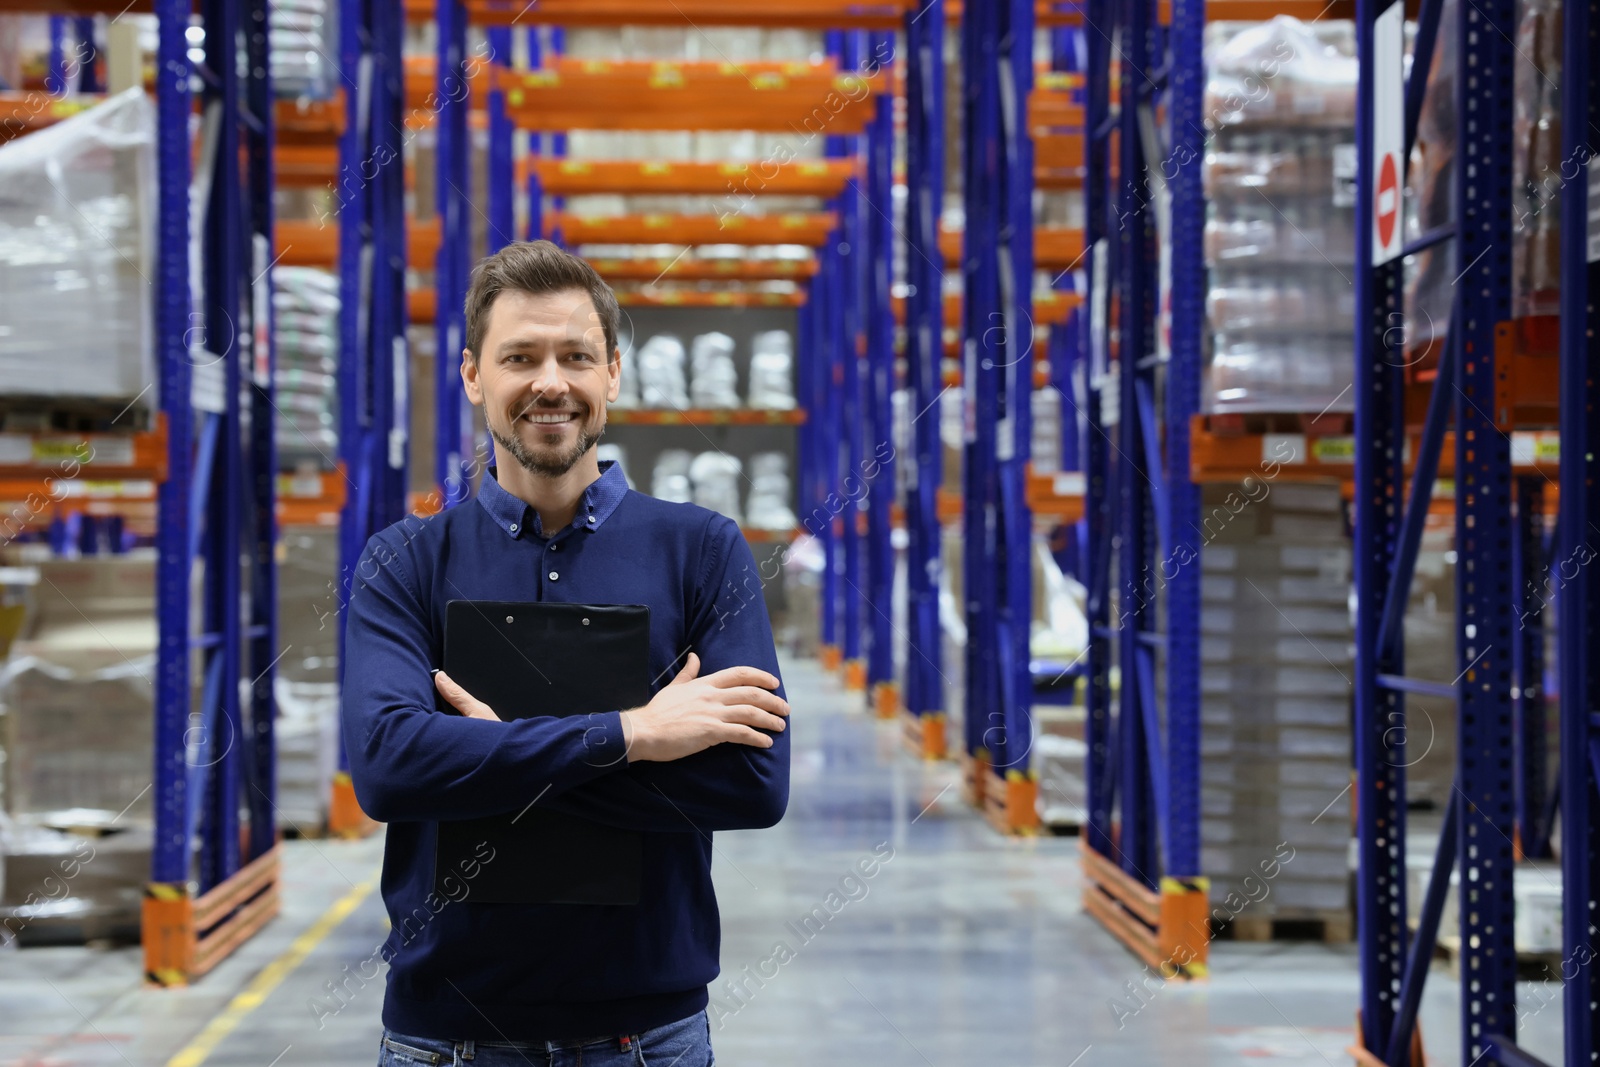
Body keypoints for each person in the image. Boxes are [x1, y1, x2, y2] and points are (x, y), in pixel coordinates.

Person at [342, 240, 791, 1067]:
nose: (551, 381)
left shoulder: (703, 553)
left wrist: (487, 754)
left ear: (612, 373)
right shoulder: (404, 559)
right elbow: (387, 769)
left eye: (575, 355)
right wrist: (633, 734)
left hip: (647, 1039)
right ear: (475, 375)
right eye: (521, 356)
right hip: (446, 1038)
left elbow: (753, 782)